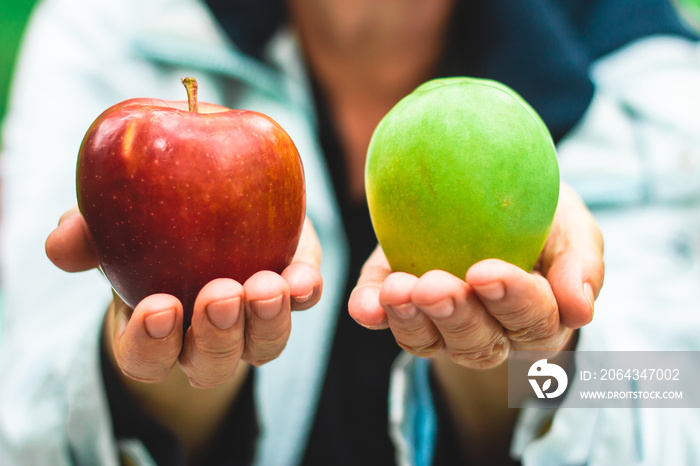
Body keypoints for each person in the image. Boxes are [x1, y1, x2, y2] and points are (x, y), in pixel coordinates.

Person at [0, 0, 698, 465]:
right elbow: (23, 421)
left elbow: (676, 399)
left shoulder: (650, 78)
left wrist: (527, 361)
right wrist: (168, 368)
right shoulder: (113, 28)